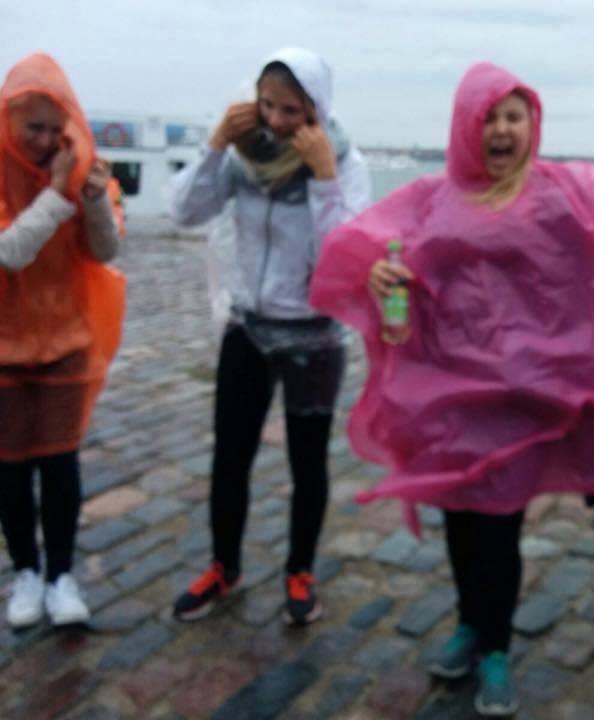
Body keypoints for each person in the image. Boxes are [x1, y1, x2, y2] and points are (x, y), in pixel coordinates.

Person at [310, 61, 594, 717]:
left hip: (520, 399)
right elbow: (372, 251)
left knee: (499, 526)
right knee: (460, 518)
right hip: (446, 394)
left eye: (515, 116)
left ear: (533, 126)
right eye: (490, 118)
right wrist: (380, 274)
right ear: (466, 128)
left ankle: (497, 648)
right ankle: (469, 623)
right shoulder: (431, 199)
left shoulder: (565, 192)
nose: (503, 130)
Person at [169, 47, 371, 625]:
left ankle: (300, 570)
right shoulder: (244, 154)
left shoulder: (344, 162)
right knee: (230, 455)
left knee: (308, 462)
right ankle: (223, 566)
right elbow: (184, 211)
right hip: (248, 326)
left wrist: (324, 178)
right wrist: (215, 145)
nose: (277, 122)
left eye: (291, 110)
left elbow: (344, 260)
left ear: (316, 109)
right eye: (267, 106)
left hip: (313, 335)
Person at [0, 53, 125, 628]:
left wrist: (93, 198)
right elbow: (10, 252)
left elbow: (104, 251)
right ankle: (26, 571)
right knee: (9, 469)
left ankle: (61, 576)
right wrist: (56, 193)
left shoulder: (77, 169)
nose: (48, 140)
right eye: (35, 127)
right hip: (4, 345)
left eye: (56, 128)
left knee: (59, 462)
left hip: (66, 339)